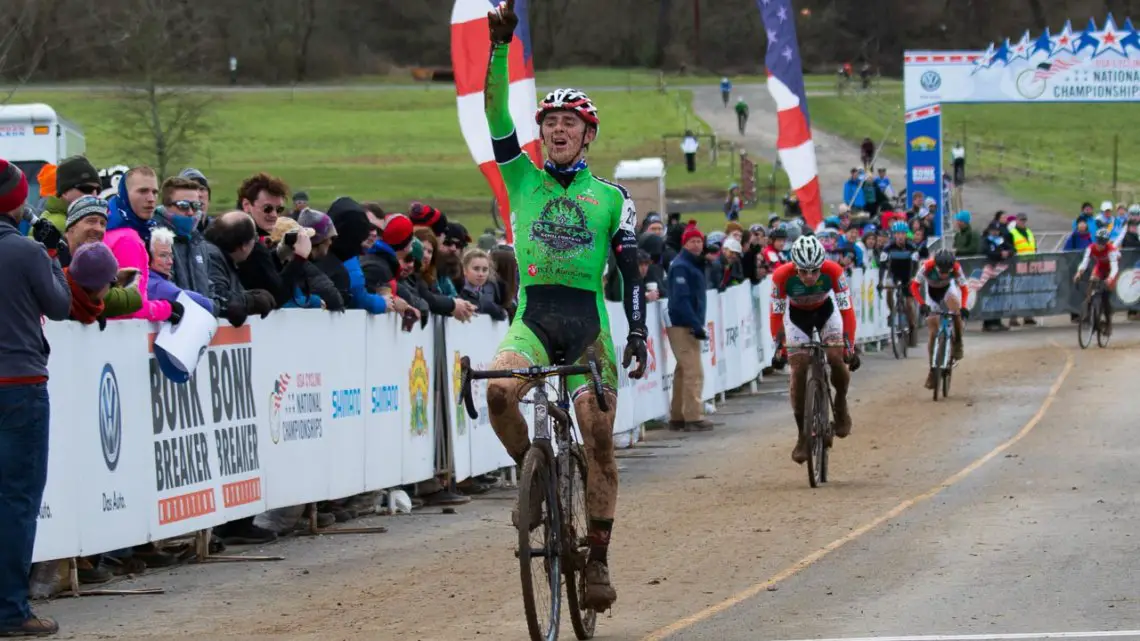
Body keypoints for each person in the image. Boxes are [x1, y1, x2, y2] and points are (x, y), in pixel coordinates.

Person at [483, 0, 647, 612]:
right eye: (550, 120)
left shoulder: (610, 197)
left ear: (587, 135)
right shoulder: (520, 178)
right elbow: (494, 112)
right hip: (532, 321)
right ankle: (534, 471)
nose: (557, 129)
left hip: (587, 328)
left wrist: (636, 332)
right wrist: (499, 49)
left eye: (569, 123)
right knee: (497, 393)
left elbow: (630, 267)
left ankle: (597, 561)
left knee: (599, 435)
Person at [0, 160, 70, 637]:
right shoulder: (24, 251)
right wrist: (51, 254)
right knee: (16, 501)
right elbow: (60, 306)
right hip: (19, 385)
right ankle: (9, 609)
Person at [769, 235, 859, 464]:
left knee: (836, 357)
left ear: (822, 266)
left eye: (814, 271)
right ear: (794, 268)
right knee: (798, 369)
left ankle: (840, 402)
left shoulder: (834, 271)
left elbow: (847, 310)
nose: (809, 277)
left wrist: (849, 345)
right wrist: (779, 346)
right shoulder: (781, 275)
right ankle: (802, 434)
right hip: (797, 317)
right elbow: (777, 314)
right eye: (803, 272)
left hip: (826, 312)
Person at [666, 222, 711, 431]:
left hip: (688, 323)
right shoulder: (681, 266)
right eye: (692, 241)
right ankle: (693, 417)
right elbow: (681, 300)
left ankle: (677, 416)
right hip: (682, 324)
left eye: (699, 240)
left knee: (683, 371)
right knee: (694, 371)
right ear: (685, 243)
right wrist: (695, 323)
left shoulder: (692, 264)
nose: (696, 244)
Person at [911, 249, 969, 388]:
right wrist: (922, 304)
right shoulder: (927, 266)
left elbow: (964, 288)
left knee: (956, 313)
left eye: (946, 272)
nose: (943, 275)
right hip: (932, 295)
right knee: (932, 331)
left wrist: (964, 307)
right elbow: (914, 286)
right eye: (941, 271)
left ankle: (958, 343)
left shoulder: (956, 267)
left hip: (948, 291)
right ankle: (932, 369)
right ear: (935, 266)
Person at [877, 221, 920, 347]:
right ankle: (892, 311)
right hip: (894, 274)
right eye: (897, 234)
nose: (900, 236)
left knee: (909, 304)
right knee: (889, 289)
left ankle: (912, 326)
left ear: (906, 235)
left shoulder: (912, 247)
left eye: (902, 233)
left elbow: (915, 265)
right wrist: (880, 281)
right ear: (894, 235)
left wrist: (913, 278)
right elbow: (882, 267)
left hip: (908, 275)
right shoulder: (887, 248)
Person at [1072, 228, 1119, 336]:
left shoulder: (1111, 249)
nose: (1100, 245)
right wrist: (1079, 272)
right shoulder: (1091, 247)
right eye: (1098, 242)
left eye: (1102, 243)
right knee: (1092, 281)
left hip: (1110, 270)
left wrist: (1110, 279)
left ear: (1106, 242)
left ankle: (1108, 323)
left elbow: (1114, 268)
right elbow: (1084, 262)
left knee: (1106, 295)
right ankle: (1088, 313)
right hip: (1100, 268)